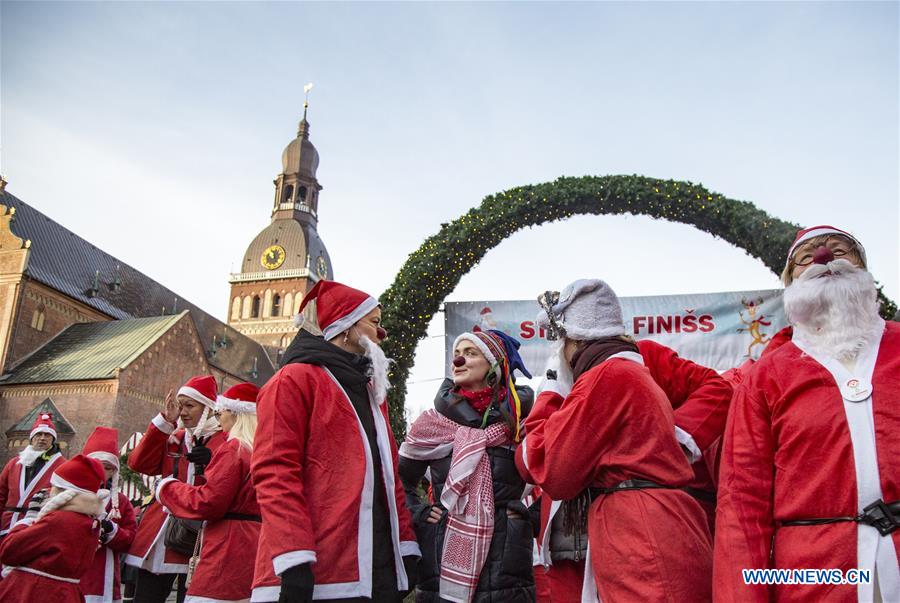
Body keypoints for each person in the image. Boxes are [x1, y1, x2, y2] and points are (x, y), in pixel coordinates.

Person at [715, 225, 900, 602]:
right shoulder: (768, 374)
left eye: (839, 249)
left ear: (864, 270)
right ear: (790, 281)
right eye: (806, 257)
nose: (824, 258)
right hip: (815, 579)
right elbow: (742, 504)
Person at [517, 279, 712, 602]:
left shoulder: (604, 377)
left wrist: (550, 393)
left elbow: (549, 469)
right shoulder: (628, 372)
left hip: (639, 531)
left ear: (574, 341)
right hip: (650, 523)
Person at [251, 280, 419, 602]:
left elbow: (390, 477)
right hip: (318, 572)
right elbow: (275, 472)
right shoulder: (293, 380)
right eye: (375, 322)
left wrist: (405, 547)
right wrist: (294, 558)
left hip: (376, 571)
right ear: (344, 326)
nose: (381, 333)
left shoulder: (372, 393)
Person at [400, 329, 536, 603]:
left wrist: (528, 519)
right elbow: (398, 481)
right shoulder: (432, 424)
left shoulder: (521, 422)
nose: (459, 361)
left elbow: (557, 476)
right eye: (457, 354)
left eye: (471, 353)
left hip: (507, 557)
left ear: (494, 365)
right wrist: (420, 514)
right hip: (442, 549)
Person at [156, 382, 261, 603]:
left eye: (220, 412)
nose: (218, 418)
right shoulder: (261, 451)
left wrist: (168, 488)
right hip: (255, 544)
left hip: (227, 546)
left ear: (235, 414)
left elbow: (209, 502)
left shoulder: (235, 449)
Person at [125, 375, 226, 603]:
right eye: (180, 406)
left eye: (189, 406)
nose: (182, 412)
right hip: (162, 532)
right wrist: (163, 424)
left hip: (200, 535)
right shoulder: (175, 437)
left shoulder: (224, 440)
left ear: (208, 408)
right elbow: (138, 463)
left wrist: (211, 461)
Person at [0, 454, 107, 602]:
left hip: (34, 592)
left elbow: (9, 551)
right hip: (66, 594)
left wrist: (30, 518)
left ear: (62, 491)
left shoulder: (58, 520)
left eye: (53, 487)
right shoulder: (89, 521)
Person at [80, 426, 138, 603]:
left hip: (103, 573)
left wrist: (111, 531)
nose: (101, 471)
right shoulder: (68, 495)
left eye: (107, 468)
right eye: (96, 465)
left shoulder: (120, 501)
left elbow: (131, 539)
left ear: (114, 471)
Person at [0, 412, 66, 537]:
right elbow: (1, 494)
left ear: (53, 439)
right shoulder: (14, 463)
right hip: (7, 524)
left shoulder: (62, 465)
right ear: (31, 438)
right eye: (38, 434)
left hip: (37, 526)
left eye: (47, 435)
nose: (42, 438)